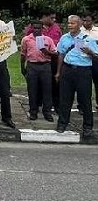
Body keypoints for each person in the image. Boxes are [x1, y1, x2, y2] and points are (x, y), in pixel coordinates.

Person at [55, 15, 98, 143]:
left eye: (73, 23)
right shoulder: (64, 38)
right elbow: (61, 54)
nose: (70, 25)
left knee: (85, 100)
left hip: (83, 71)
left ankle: (87, 127)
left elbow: (96, 56)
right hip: (67, 70)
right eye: (68, 23)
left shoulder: (89, 39)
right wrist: (58, 72)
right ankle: (62, 123)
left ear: (79, 25)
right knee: (65, 99)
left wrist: (90, 52)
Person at [20, 20, 56, 121]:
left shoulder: (48, 39)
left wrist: (46, 51)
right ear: (32, 28)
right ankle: (33, 111)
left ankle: (47, 112)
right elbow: (23, 54)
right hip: (32, 65)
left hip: (45, 66)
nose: (36, 30)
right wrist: (22, 67)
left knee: (47, 89)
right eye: (34, 28)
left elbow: (55, 54)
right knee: (32, 90)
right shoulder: (26, 39)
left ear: (42, 28)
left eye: (38, 28)